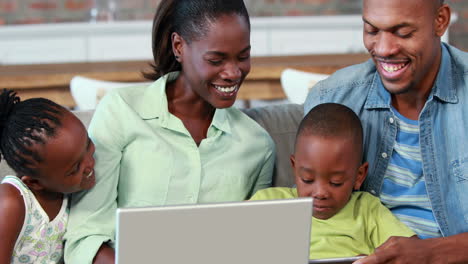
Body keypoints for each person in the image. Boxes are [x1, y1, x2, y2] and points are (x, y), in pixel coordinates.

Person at [64, 0, 275, 263]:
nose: (233, 72)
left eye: (243, 56)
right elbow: (86, 236)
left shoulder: (258, 145)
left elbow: (255, 246)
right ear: (179, 47)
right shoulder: (121, 112)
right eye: (216, 59)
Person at [304, 0, 468, 263]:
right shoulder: (332, 98)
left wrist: (428, 254)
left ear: (440, 20)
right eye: (371, 30)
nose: (383, 49)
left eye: (403, 32)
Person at [250, 103, 415, 259]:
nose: (320, 193)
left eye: (336, 182)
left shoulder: (366, 209)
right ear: (294, 168)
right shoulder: (269, 202)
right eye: (307, 180)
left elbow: (412, 250)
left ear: (359, 176)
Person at [0, 89, 96, 264]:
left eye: (88, 144)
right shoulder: (12, 201)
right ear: (34, 182)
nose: (90, 163)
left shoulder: (69, 191)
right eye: (75, 168)